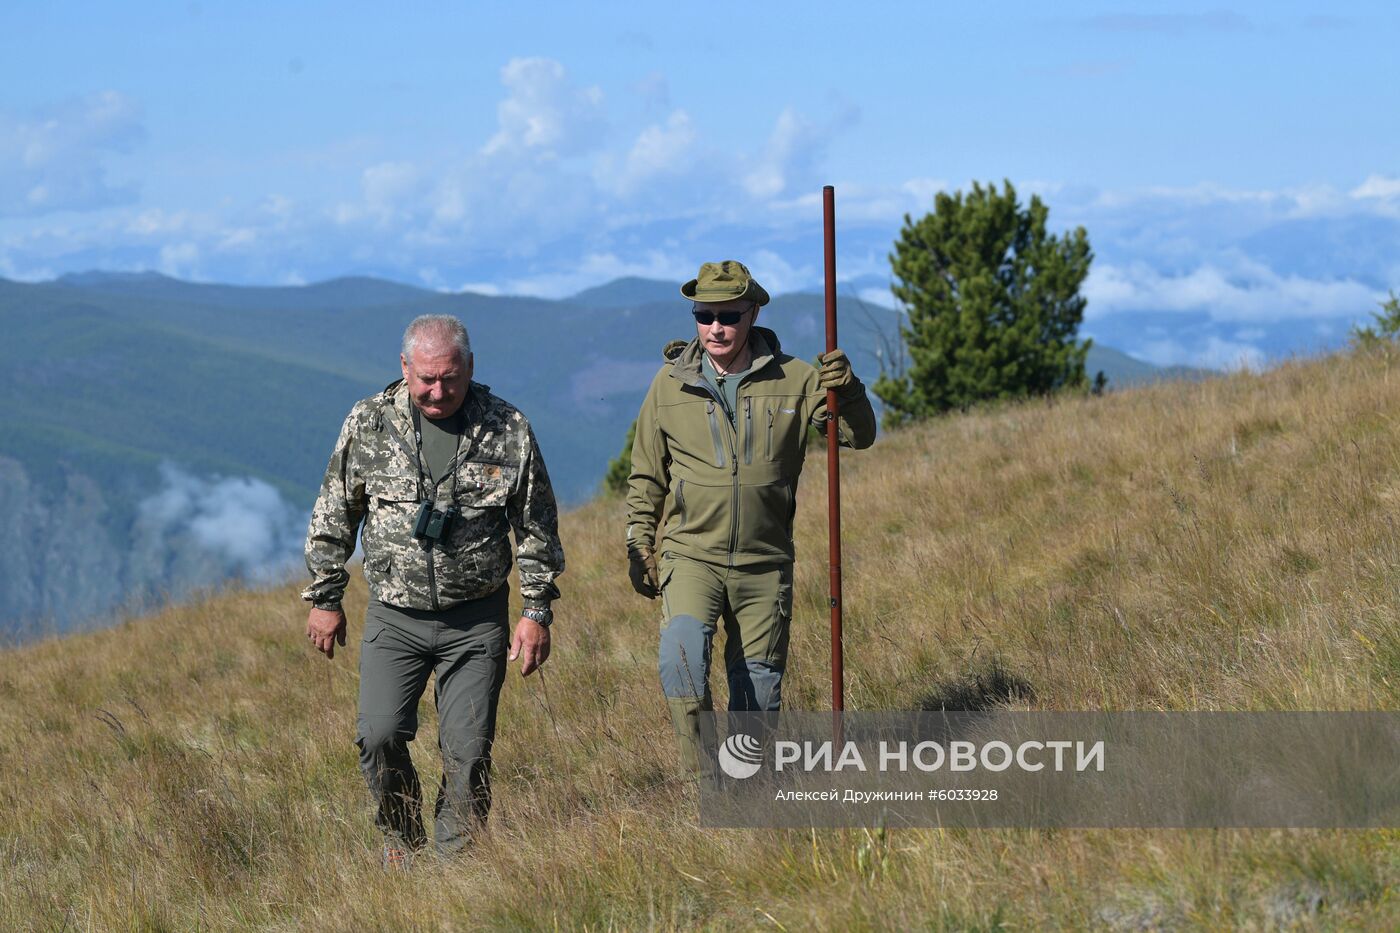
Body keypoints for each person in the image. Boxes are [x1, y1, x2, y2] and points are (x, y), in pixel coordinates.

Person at [302, 314, 564, 863]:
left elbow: (536, 525)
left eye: (449, 377)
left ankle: (458, 866)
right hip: (395, 616)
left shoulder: (507, 428)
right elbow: (334, 513)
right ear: (404, 367)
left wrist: (535, 610)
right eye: (425, 379)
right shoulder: (368, 423)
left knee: (467, 752)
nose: (437, 391)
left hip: (476, 619)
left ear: (469, 367)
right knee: (378, 736)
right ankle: (403, 843)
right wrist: (325, 598)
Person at [624, 260, 876, 775]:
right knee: (682, 666)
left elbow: (857, 435)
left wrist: (847, 390)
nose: (716, 327)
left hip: (765, 564)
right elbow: (647, 474)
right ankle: (706, 780)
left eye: (730, 316)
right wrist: (639, 543)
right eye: (704, 314)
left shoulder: (799, 379)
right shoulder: (669, 385)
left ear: (753, 312)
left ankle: (745, 793)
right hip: (691, 556)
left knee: (756, 697)